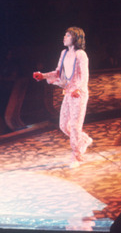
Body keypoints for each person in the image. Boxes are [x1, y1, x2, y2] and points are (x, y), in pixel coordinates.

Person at [33, 27, 92, 167]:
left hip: (79, 93)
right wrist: (43, 76)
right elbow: (58, 72)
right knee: (63, 125)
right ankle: (84, 140)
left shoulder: (81, 54)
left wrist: (78, 89)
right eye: (65, 35)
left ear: (75, 38)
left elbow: (85, 76)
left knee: (75, 126)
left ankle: (77, 156)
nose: (64, 37)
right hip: (68, 91)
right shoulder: (64, 53)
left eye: (68, 35)